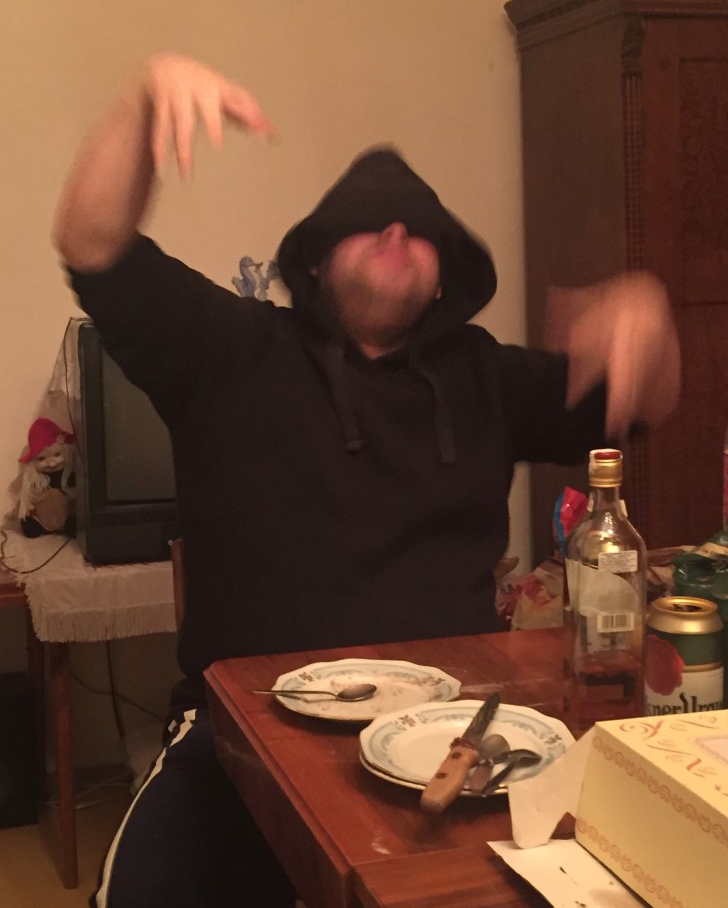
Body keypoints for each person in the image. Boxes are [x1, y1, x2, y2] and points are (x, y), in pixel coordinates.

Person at [53, 53, 680, 908]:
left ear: (444, 276)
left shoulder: (485, 375)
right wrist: (142, 98)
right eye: (367, 225)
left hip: (460, 735)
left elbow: (641, 401)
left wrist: (647, 310)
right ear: (314, 263)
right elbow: (90, 245)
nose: (394, 236)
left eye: (419, 231)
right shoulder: (230, 351)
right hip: (239, 737)